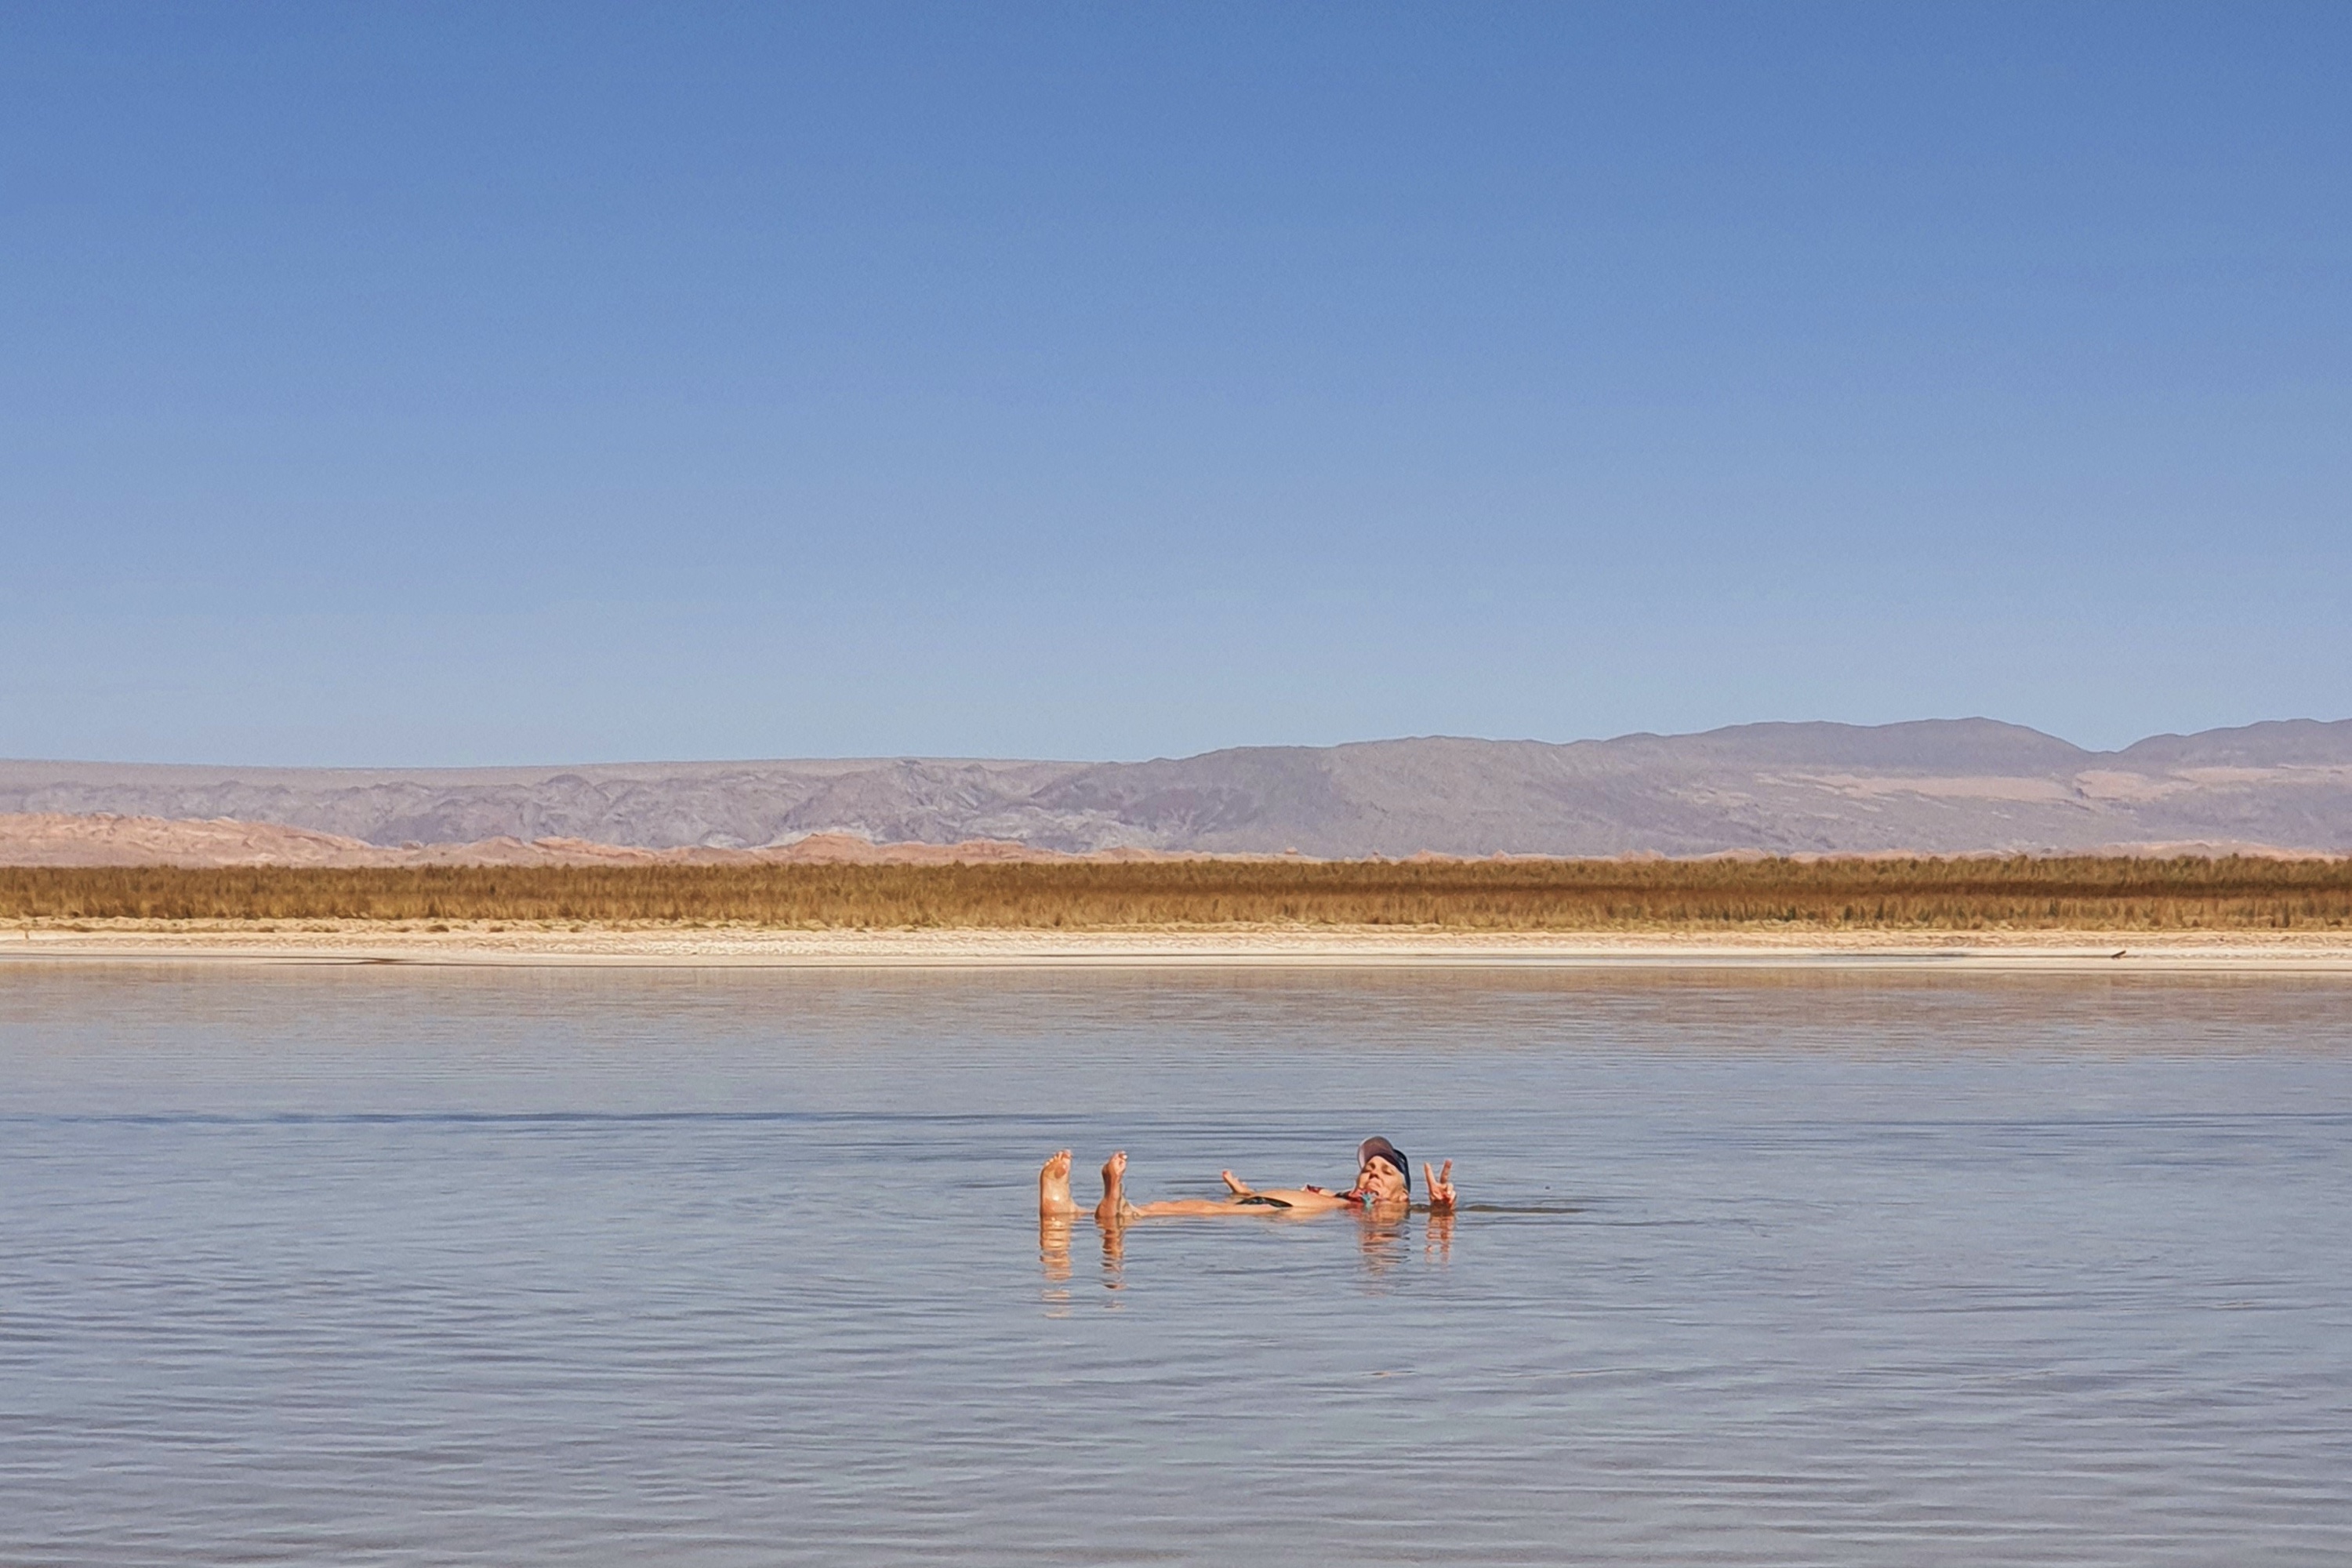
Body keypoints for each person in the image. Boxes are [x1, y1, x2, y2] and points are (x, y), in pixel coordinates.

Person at [1037, 1136, 1455, 1225]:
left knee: (1198, 1210)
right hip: (1259, 1203)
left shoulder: (1384, 1213)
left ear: (1402, 1196)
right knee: (1185, 1207)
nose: (1373, 1173)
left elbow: (1423, 1224)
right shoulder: (1343, 1196)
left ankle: (1120, 1207)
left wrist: (1440, 1213)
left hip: (1272, 1212)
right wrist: (1246, 1192)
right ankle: (1069, 1211)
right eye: (1369, 1168)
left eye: (1386, 1172)